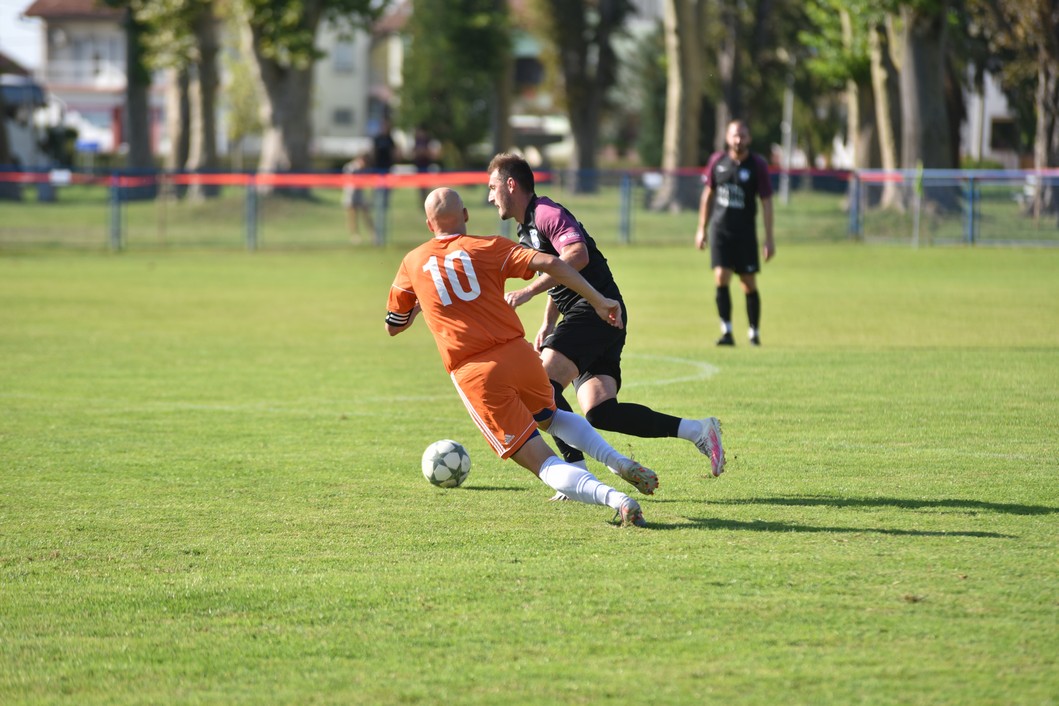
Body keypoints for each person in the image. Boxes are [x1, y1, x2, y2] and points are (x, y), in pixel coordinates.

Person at [385, 187, 658, 527]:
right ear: (466, 215)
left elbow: (394, 325)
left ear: (429, 225)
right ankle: (620, 462)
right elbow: (552, 263)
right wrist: (600, 300)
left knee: (542, 461)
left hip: (476, 371)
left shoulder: (412, 262)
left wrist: (423, 301)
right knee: (552, 416)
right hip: (520, 354)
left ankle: (617, 500)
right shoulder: (490, 246)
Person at [486, 153, 726, 498]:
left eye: (493, 187)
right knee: (601, 412)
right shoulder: (527, 229)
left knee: (540, 388)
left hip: (597, 311)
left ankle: (574, 471)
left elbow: (576, 257)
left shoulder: (547, 213)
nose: (490, 196)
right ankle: (698, 430)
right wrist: (547, 322)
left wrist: (527, 290)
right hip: (594, 317)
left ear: (511, 185)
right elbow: (562, 275)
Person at [694, 119, 776, 346]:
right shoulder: (717, 161)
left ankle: (753, 332)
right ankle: (727, 331)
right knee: (721, 277)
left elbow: (767, 201)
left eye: (742, 135)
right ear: (727, 138)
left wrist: (769, 238)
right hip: (721, 231)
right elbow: (707, 195)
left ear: (749, 138)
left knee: (748, 282)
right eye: (734, 135)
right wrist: (702, 229)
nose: (738, 139)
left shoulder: (757, 165)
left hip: (746, 233)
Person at [341, 153, 374, 244]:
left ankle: (373, 234)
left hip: (360, 194)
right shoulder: (350, 167)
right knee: (352, 216)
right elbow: (348, 179)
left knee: (366, 214)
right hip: (350, 194)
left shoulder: (365, 168)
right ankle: (355, 236)